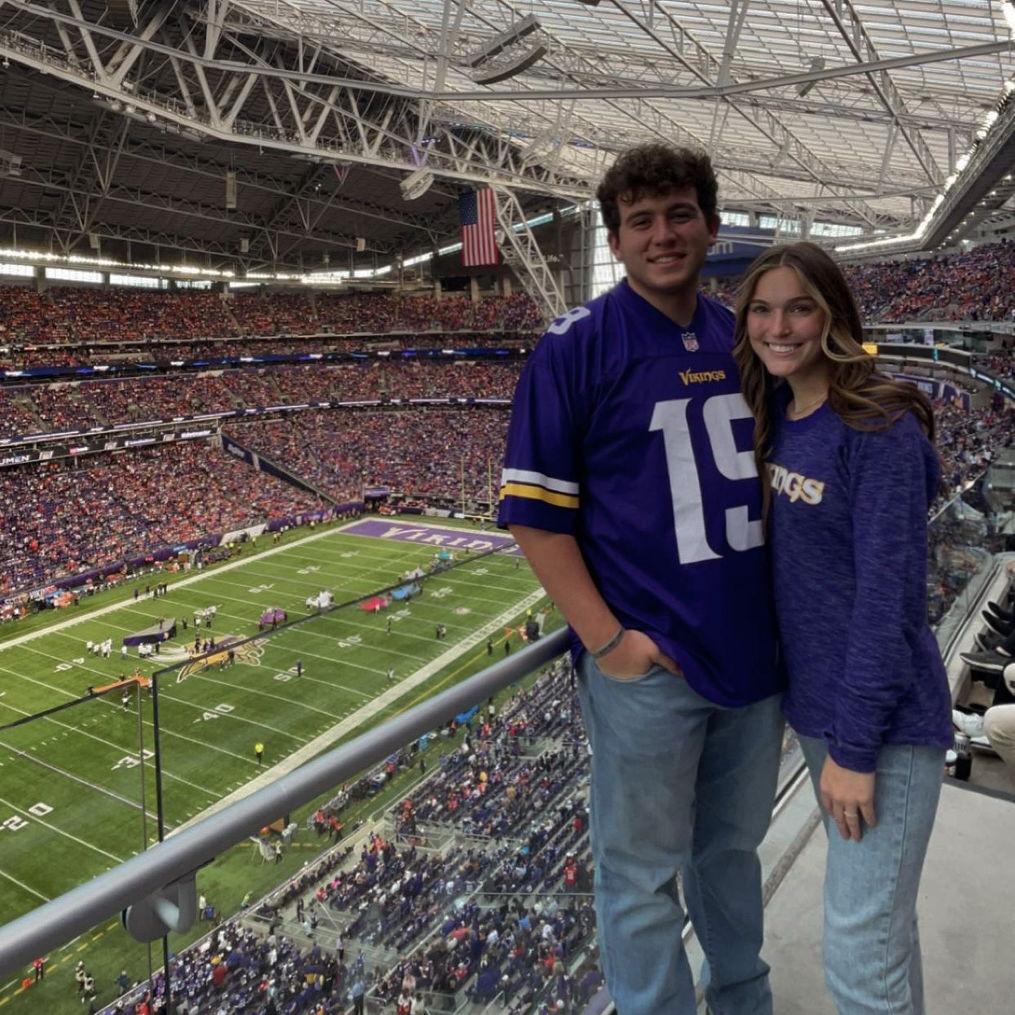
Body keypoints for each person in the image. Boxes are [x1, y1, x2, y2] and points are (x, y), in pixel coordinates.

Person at [498, 143, 785, 1015]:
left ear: (710, 224)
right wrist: (607, 641)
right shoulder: (576, 346)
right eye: (641, 221)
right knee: (637, 874)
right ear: (616, 240)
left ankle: (742, 997)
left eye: (679, 214)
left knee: (730, 853)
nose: (663, 234)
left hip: (752, 653)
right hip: (651, 666)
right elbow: (533, 515)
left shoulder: (746, 336)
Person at [733, 241, 952, 1014]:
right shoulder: (777, 415)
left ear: (832, 315)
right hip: (823, 716)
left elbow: (888, 603)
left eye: (799, 307)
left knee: (859, 957)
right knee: (881, 933)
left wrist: (854, 750)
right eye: (762, 309)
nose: (778, 326)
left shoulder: (877, 428)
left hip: (882, 727)